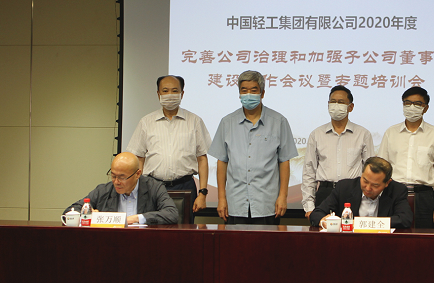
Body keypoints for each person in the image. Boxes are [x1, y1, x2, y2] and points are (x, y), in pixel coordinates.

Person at [209, 70, 298, 225]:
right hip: (235, 203)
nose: (248, 94)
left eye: (253, 90)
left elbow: (284, 162)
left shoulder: (278, 121)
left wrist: (283, 196)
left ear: (262, 93)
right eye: (244, 90)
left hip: (267, 203)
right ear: (239, 94)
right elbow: (222, 162)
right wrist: (221, 198)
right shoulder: (227, 122)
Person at [126, 75, 211, 222]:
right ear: (158, 94)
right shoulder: (146, 122)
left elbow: (202, 159)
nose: (170, 95)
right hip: (153, 186)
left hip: (185, 186)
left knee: (184, 230)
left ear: (182, 94)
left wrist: (202, 193)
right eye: (165, 91)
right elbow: (139, 158)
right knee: (152, 228)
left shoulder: (194, 121)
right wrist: (137, 190)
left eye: (174, 91)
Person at [377, 86, 434, 228]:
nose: (411, 107)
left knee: (423, 237)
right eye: (407, 103)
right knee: (393, 235)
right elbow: (381, 167)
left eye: (417, 104)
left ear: (425, 108)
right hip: (394, 193)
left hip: (423, 196)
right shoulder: (391, 133)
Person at [301, 85, 373, 218]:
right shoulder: (317, 134)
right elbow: (309, 171)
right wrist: (309, 206)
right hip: (325, 192)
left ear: (350, 107)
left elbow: (370, 171)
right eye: (333, 102)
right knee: (324, 230)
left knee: (352, 230)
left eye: (341, 102)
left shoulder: (363, 134)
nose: (336, 105)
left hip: (353, 192)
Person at [63, 152, 178, 225]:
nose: (116, 182)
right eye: (113, 176)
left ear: (137, 174)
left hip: (144, 243)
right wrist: (87, 213)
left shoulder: (154, 188)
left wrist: (136, 218)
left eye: (122, 177)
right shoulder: (103, 191)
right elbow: (70, 211)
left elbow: (171, 214)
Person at [310, 157, 412, 229]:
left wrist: (363, 223)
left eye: (375, 185)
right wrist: (323, 221)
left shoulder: (397, 190)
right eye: (365, 181)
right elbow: (317, 213)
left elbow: (405, 219)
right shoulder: (344, 187)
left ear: (387, 183)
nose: (368, 188)